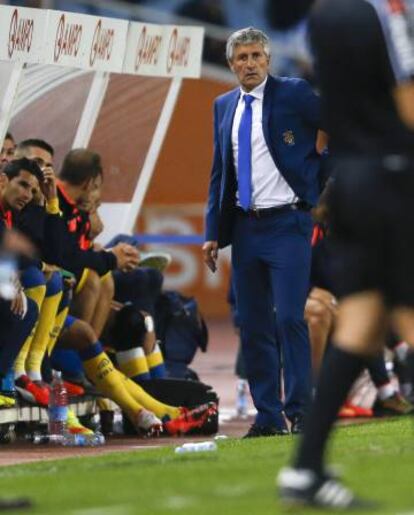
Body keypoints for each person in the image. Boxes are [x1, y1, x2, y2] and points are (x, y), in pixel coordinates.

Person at [278, 0, 414, 508]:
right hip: (393, 178)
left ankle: (305, 469)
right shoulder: (386, 11)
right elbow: (407, 103)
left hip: (353, 182)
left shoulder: (325, 14)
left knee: (361, 324)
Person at [203, 26, 326, 437]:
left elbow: (341, 128)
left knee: (291, 317)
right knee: (253, 325)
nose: (250, 63)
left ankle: (302, 411)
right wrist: (212, 232)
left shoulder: (294, 93)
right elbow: (220, 174)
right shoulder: (223, 105)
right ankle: (269, 417)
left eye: (257, 56)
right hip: (245, 228)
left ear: (268, 60)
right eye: (242, 58)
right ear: (231, 64)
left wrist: (320, 183)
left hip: (289, 223)